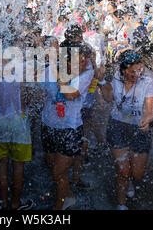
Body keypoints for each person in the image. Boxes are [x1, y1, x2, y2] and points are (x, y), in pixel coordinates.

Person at [99, 50, 153, 210]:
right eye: (133, 71)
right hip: (117, 125)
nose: (137, 74)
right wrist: (102, 81)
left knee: (137, 174)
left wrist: (147, 119)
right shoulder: (117, 76)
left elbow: (149, 109)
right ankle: (121, 204)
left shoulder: (148, 80)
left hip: (139, 129)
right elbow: (109, 98)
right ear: (123, 70)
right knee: (122, 170)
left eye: (140, 69)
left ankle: (130, 181)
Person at [40, 41, 94, 210]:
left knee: (58, 172)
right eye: (79, 60)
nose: (84, 63)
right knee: (53, 169)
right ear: (67, 61)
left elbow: (69, 95)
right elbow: (40, 92)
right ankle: (67, 195)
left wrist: (55, 69)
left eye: (85, 59)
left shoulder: (86, 75)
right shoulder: (50, 70)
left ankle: (58, 207)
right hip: (48, 126)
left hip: (70, 130)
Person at [0, 56, 35, 210]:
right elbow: (29, 99)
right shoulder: (21, 74)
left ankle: (3, 203)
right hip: (18, 123)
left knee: (2, 163)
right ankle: (15, 203)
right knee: (18, 166)